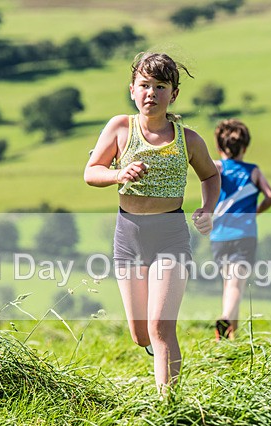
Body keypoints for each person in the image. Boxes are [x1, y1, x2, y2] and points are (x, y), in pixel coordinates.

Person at [84, 52, 220, 393]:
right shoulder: (119, 128)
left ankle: (168, 407)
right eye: (145, 85)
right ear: (132, 90)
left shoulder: (188, 139)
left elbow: (210, 175)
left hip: (170, 236)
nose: (151, 93)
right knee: (141, 332)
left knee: (161, 327)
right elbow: (91, 172)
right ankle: (154, 350)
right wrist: (118, 174)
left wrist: (207, 209)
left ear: (173, 94)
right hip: (128, 237)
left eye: (160, 87)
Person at [209, 119, 271, 339]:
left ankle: (230, 336)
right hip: (245, 235)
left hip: (219, 236)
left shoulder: (217, 168)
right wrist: (255, 211)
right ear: (245, 147)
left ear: (219, 147)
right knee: (236, 283)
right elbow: (270, 196)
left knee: (229, 283)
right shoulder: (253, 171)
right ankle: (227, 318)